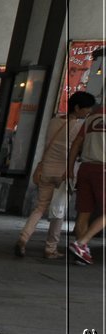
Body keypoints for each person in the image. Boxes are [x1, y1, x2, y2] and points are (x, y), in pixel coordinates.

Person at [17, 91, 95, 259]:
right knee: (58, 212)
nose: (88, 113)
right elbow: (79, 149)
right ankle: (50, 248)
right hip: (63, 174)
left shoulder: (54, 121)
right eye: (86, 109)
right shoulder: (78, 127)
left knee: (39, 207)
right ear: (77, 108)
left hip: (46, 170)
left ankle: (23, 238)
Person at [69, 98, 106, 265]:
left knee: (84, 212)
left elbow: (76, 143)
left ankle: (81, 255)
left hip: (85, 168)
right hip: (103, 169)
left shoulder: (91, 118)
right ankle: (81, 243)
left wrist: (69, 168)